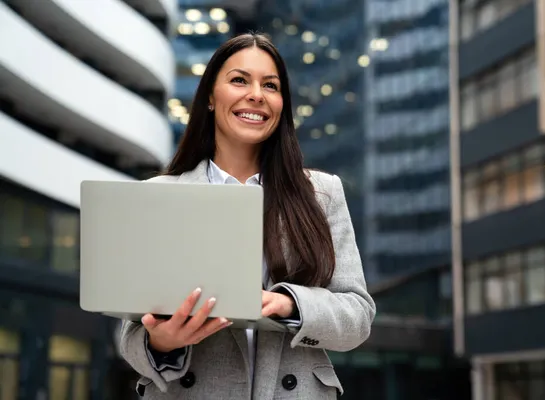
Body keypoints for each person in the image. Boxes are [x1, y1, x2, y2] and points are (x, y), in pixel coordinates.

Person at [119, 32, 376, 399]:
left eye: (270, 85)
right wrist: (162, 344)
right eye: (239, 80)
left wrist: (290, 304)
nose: (256, 94)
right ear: (210, 96)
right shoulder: (159, 194)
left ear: (281, 102)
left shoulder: (322, 194)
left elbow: (357, 316)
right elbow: (130, 326)